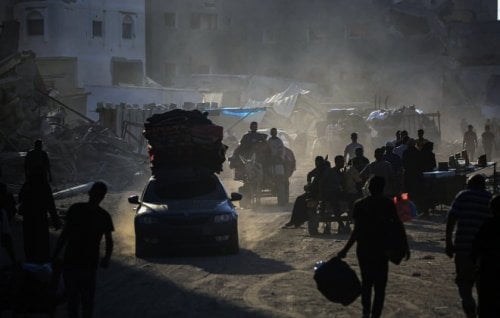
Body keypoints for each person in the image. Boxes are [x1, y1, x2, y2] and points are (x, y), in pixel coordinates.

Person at [337, 176, 410, 318]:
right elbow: (398, 225)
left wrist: (345, 250)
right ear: (383, 188)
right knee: (380, 286)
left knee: (366, 282)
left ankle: (365, 312)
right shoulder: (387, 204)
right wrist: (405, 246)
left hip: (364, 249)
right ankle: (376, 314)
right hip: (382, 249)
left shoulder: (360, 204)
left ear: (369, 188)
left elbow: (356, 231)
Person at [53, 181, 114, 318]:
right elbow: (109, 241)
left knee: (73, 301)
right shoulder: (104, 216)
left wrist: (55, 255)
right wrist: (106, 258)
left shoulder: (76, 209)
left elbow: (65, 235)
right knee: (87, 302)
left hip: (72, 261)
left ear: (89, 193)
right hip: (88, 264)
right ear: (103, 197)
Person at [445, 174, 492, 318]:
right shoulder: (489, 198)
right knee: (485, 284)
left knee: (464, 282)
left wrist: (448, 242)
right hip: (485, 250)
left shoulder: (463, 196)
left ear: (469, 185)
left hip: (464, 247)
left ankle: (469, 306)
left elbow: (452, 218)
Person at [18, 167, 61, 263]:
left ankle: (30, 262)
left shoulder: (27, 184)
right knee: (42, 241)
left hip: (28, 218)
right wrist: (55, 220)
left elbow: (20, 198)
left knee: (29, 241)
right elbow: (51, 204)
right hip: (41, 217)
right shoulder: (44, 185)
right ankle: (42, 262)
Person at [471, 194, 500, 317]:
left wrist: (473, 266)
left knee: (486, 304)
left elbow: (476, 248)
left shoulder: (487, 225)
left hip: (488, 271)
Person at [283, 156, 328, 228]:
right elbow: (309, 174)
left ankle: (296, 220)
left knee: (300, 200)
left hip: (318, 194)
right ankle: (297, 221)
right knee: (300, 200)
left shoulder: (323, 172)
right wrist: (309, 184)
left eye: (318, 163)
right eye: (316, 163)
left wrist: (309, 187)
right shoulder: (320, 170)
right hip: (316, 193)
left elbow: (318, 185)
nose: (317, 164)